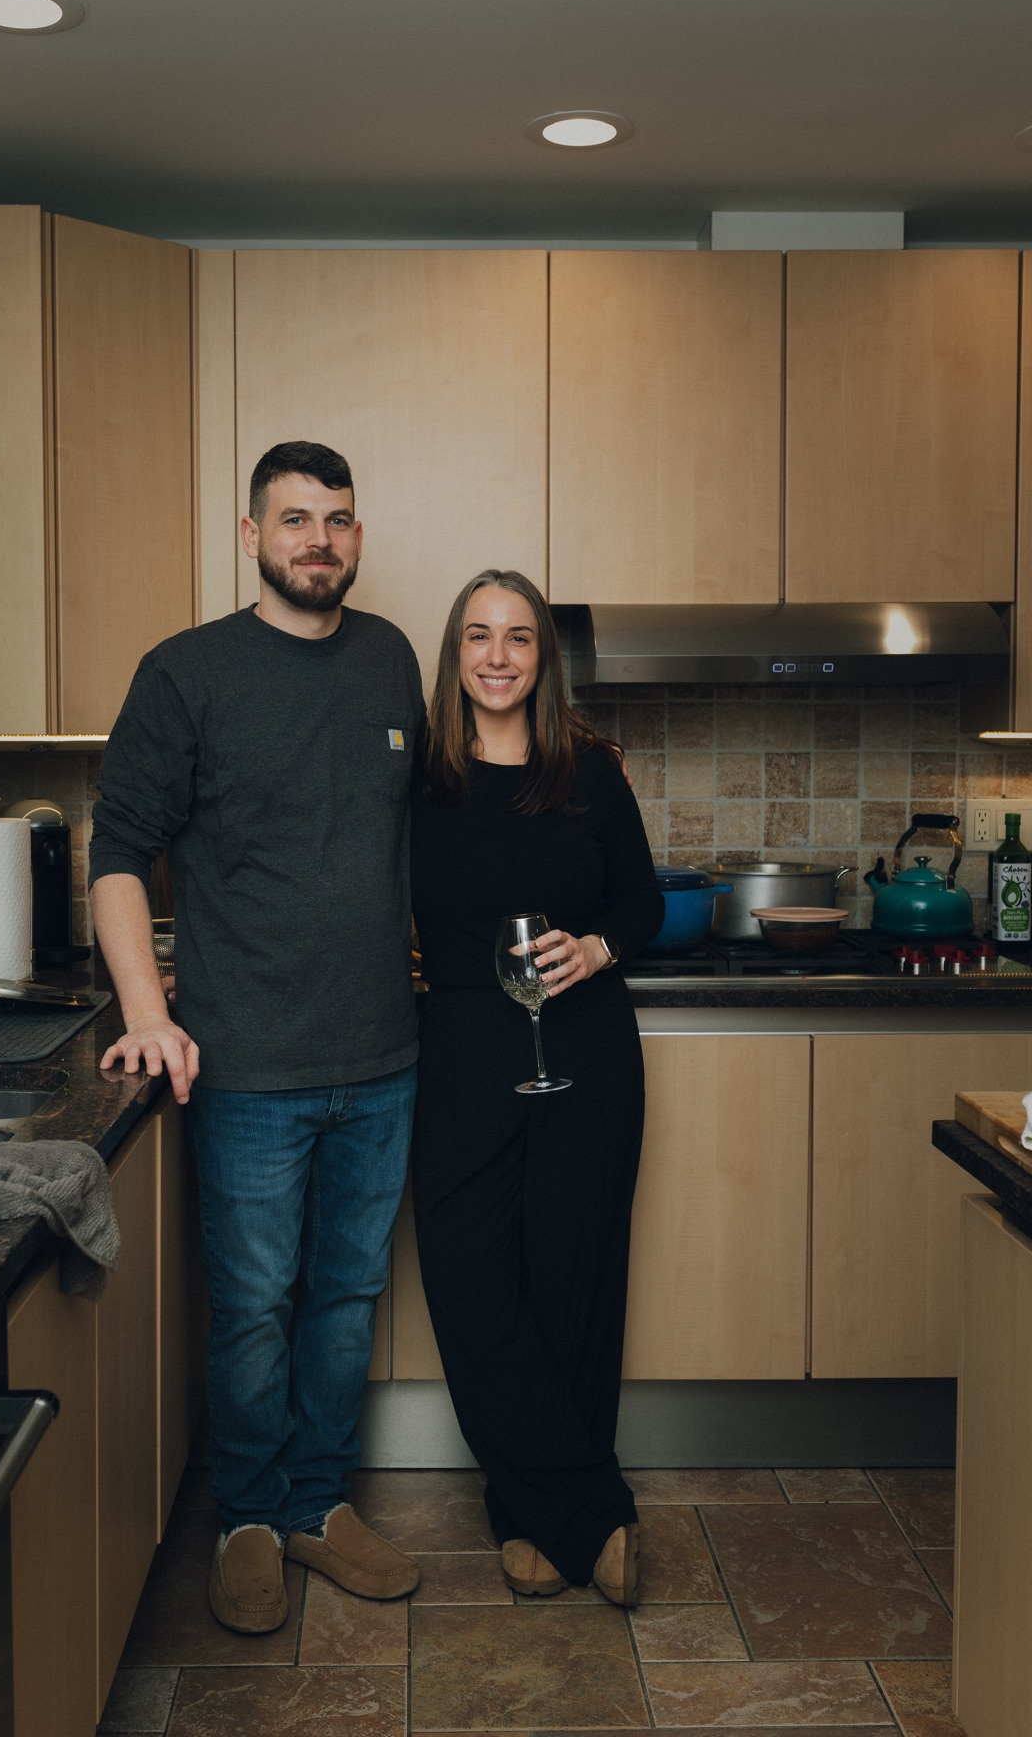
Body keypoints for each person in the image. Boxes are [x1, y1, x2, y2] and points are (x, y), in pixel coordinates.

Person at [89, 440, 424, 1635]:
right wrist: (149, 1013)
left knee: (345, 1299)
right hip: (246, 1068)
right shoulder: (186, 673)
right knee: (251, 1310)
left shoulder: (391, 658)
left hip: (383, 1058)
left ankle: (316, 1504)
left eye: (336, 518)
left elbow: (408, 831)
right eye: (294, 519)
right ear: (251, 536)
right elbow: (118, 852)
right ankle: (246, 1518)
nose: (317, 540)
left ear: (357, 536)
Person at [410, 568, 664, 1603]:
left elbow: (642, 901)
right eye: (479, 635)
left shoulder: (590, 769)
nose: (498, 655)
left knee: (574, 1283)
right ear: (455, 655)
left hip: (586, 1044)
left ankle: (530, 1519)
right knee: (470, 1284)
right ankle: (592, 1515)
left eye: (519, 637)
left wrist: (600, 948)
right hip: (464, 1047)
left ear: (543, 658)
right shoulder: (418, 776)